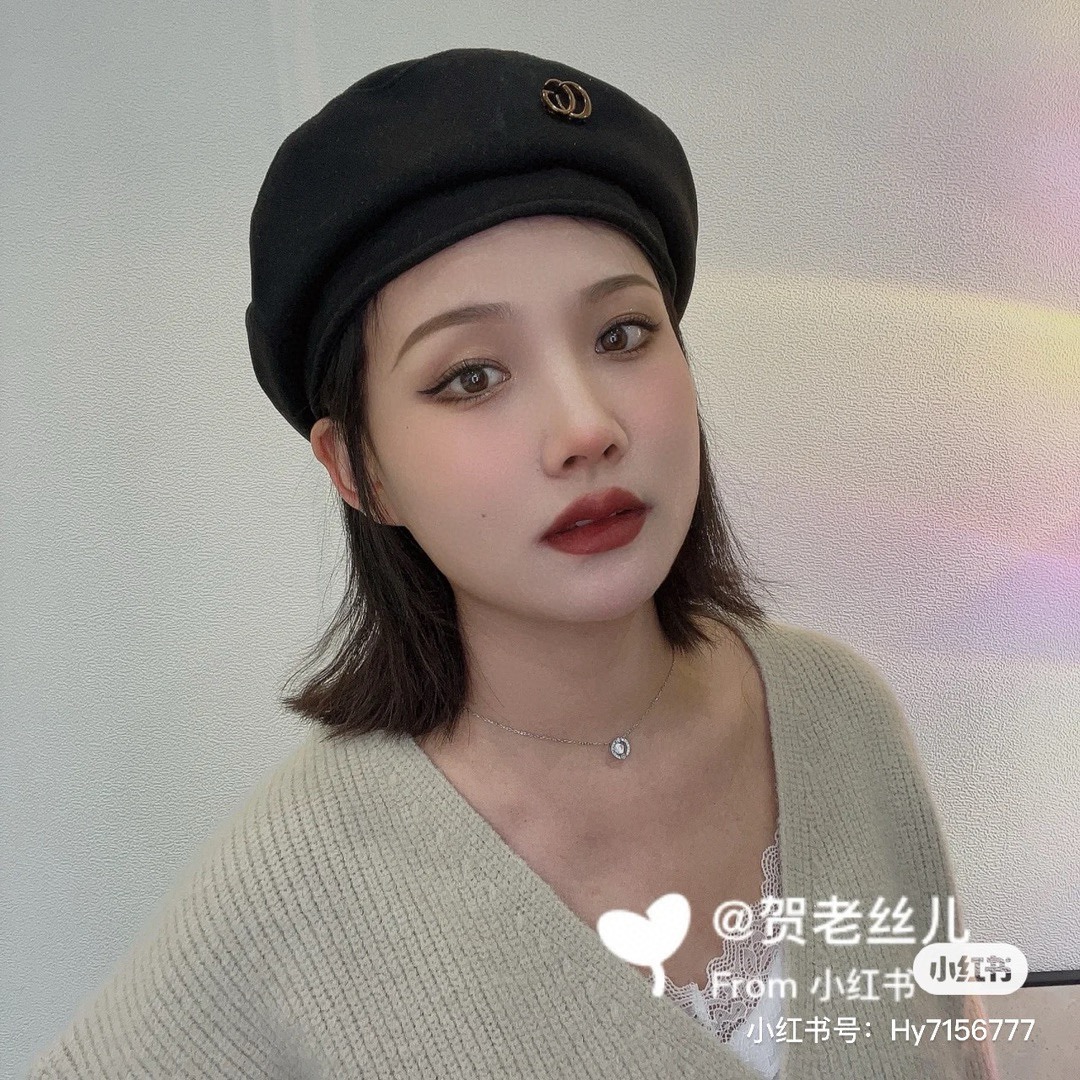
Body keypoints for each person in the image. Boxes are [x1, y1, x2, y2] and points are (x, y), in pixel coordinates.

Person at [27, 47, 998, 1080]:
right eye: (471, 376)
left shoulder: (839, 716)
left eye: (623, 333)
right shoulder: (298, 885)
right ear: (358, 469)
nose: (586, 428)